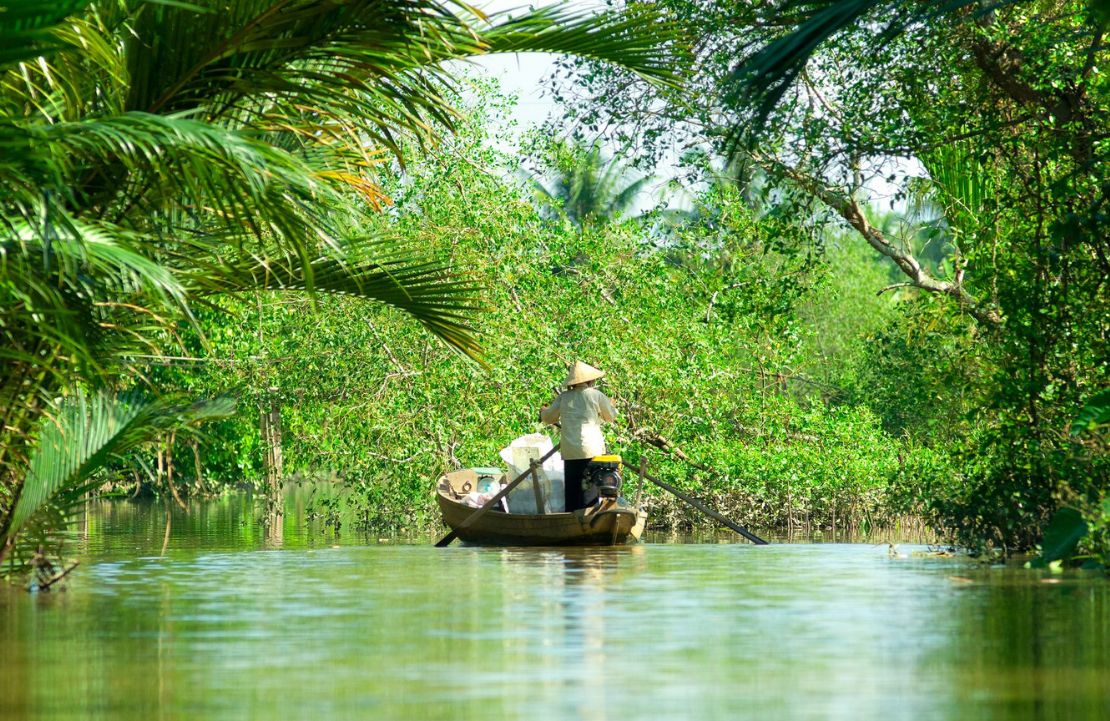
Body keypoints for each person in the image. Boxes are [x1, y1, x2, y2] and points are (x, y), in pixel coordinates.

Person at [539, 361, 617, 512]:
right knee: (590, 488)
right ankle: (589, 519)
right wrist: (611, 407)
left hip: (571, 450)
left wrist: (543, 411)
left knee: (573, 489)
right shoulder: (596, 395)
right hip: (591, 450)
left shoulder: (564, 397)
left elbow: (549, 418)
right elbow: (610, 417)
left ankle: (571, 518)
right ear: (589, 381)